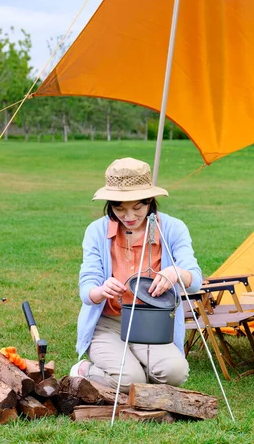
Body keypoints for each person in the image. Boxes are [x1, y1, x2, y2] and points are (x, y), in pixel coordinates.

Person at [71, 157, 203, 392]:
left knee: (176, 372)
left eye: (137, 207)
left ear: (150, 201)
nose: (128, 216)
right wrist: (100, 291)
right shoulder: (97, 231)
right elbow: (86, 289)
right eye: (119, 208)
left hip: (151, 324)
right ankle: (84, 370)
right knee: (132, 380)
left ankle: (135, 369)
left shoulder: (172, 228)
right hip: (108, 324)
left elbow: (195, 281)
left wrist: (175, 272)